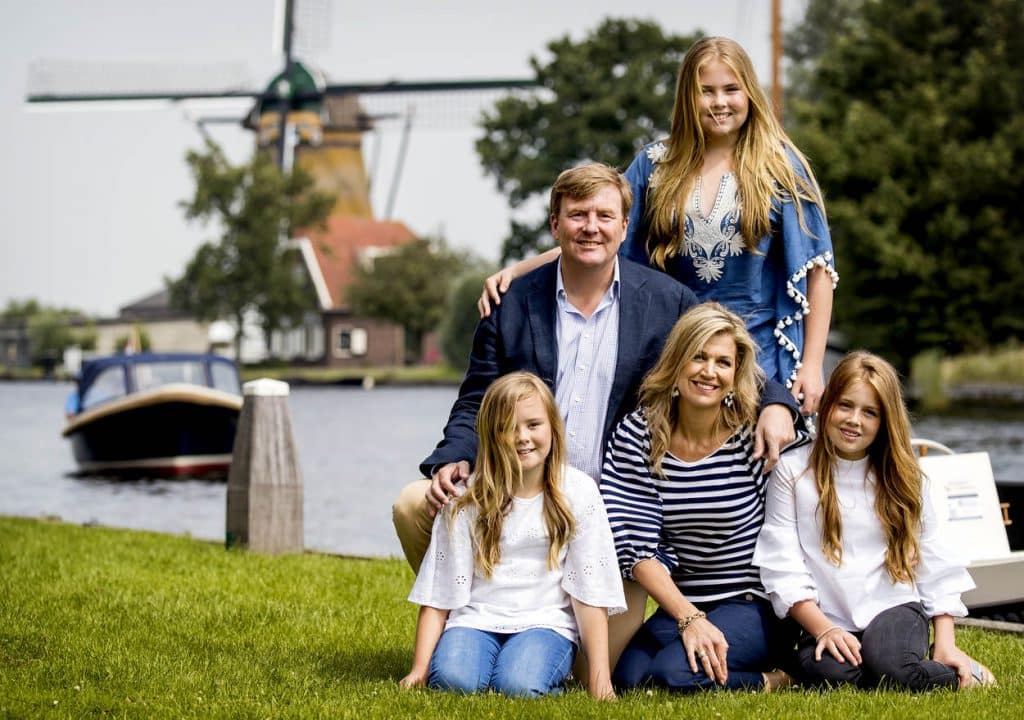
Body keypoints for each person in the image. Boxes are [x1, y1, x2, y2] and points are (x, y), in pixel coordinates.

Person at [393, 162, 800, 681]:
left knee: (591, 676)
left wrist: (774, 401)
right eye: (578, 215)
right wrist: (455, 457)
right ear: (555, 225)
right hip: (519, 486)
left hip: (605, 510)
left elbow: (718, 351)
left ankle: (554, 643)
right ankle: (478, 623)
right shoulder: (512, 302)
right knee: (413, 504)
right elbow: (476, 398)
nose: (591, 227)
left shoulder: (664, 301)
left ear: (624, 227)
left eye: (604, 215)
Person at [477, 37, 837, 416]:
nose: (719, 102)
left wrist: (812, 365)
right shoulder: (656, 165)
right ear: (687, 97)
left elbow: (817, 270)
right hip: (677, 353)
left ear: (749, 92)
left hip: (757, 355)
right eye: (706, 91)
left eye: (731, 89)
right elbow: (598, 236)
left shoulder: (781, 168)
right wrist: (515, 272)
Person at [753, 351, 997, 690]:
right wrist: (824, 628)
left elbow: (935, 559)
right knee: (829, 675)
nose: (855, 420)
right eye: (845, 406)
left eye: (870, 412)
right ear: (827, 404)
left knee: (892, 668)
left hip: (893, 608)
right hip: (829, 617)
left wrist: (945, 642)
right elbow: (784, 563)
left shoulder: (905, 477)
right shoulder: (793, 472)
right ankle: (846, 658)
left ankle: (967, 675)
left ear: (885, 421)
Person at [601, 303, 808, 692]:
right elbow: (634, 546)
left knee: (673, 676)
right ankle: (704, 648)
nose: (709, 372)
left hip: (752, 603)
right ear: (677, 361)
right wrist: (688, 617)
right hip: (686, 602)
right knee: (629, 680)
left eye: (722, 362)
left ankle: (775, 679)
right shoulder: (638, 434)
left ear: (735, 375)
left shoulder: (754, 434)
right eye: (698, 357)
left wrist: (783, 407)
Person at [398, 372, 625, 699]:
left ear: (552, 428)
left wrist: (601, 683)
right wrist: (419, 670)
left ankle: (530, 668)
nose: (522, 437)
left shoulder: (578, 492)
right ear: (491, 436)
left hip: (546, 624)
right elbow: (440, 593)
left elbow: (589, 592)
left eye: (533, 425)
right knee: (453, 682)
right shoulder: (467, 497)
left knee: (518, 686)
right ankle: (474, 662)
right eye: (507, 428)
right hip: (477, 619)